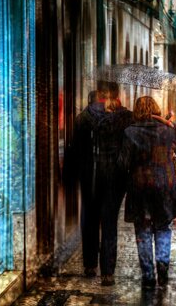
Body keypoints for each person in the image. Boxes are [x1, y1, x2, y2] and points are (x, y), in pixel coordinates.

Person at [117, 96, 176, 289]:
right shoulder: (167, 129)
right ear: (156, 109)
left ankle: (148, 276)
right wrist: (173, 127)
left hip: (140, 189)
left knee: (143, 232)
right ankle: (163, 268)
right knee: (163, 228)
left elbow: (122, 164)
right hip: (165, 187)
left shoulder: (130, 132)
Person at [93, 88, 134, 286]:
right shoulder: (127, 118)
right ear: (119, 99)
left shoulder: (100, 120)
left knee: (106, 222)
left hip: (101, 174)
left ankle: (106, 271)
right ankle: (108, 270)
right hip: (119, 176)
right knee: (110, 220)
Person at [68, 90, 106, 278]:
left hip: (86, 175)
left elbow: (74, 149)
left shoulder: (81, 118)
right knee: (104, 219)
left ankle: (90, 263)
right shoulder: (108, 119)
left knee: (88, 217)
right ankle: (105, 263)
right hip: (104, 175)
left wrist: (73, 176)